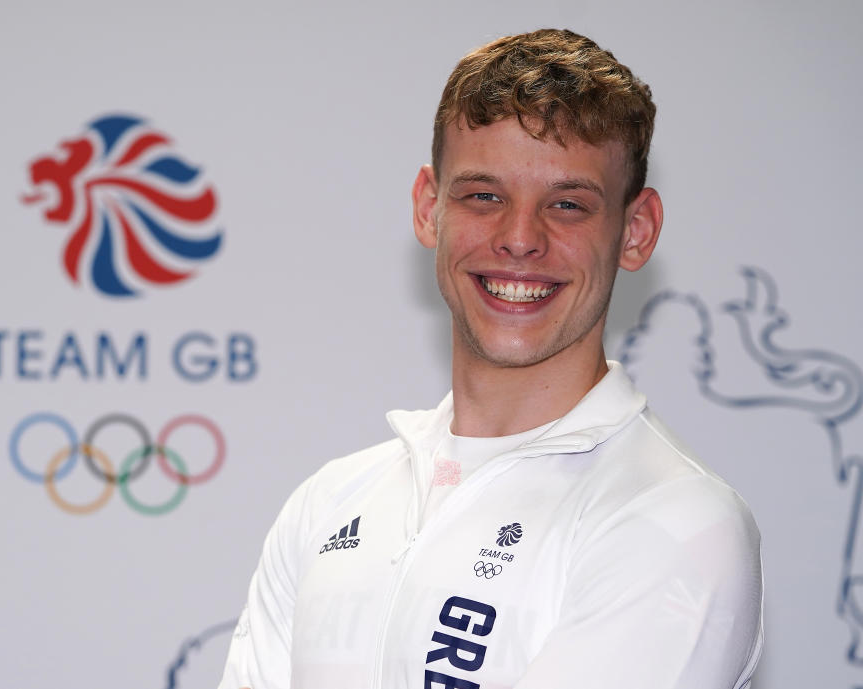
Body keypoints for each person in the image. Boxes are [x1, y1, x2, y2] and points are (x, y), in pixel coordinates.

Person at [219, 28, 763, 689]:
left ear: (636, 230)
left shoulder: (675, 518)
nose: (519, 238)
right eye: (484, 195)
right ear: (428, 208)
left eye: (567, 204)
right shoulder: (330, 501)